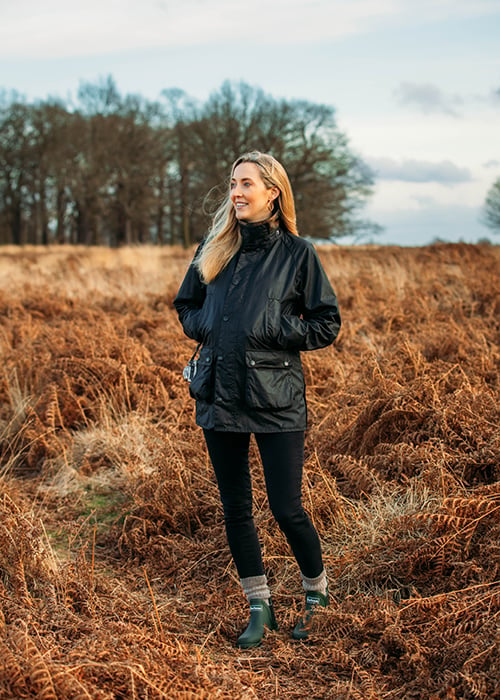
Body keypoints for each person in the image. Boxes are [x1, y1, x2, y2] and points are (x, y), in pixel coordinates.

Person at [174, 151, 341, 648]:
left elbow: (326, 323)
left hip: (276, 398)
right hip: (218, 394)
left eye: (247, 183)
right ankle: (259, 606)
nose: (237, 192)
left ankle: (316, 596)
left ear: (273, 191)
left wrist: (269, 327)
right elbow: (187, 305)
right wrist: (213, 328)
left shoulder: (298, 253)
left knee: (287, 507)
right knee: (235, 508)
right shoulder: (214, 246)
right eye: (232, 183)